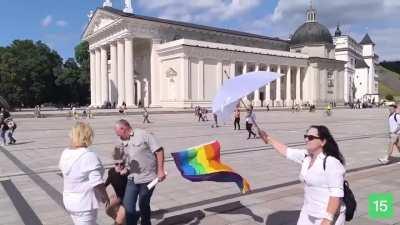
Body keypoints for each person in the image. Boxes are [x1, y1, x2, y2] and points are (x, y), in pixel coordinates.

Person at [258, 125, 346, 225]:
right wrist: (268, 139)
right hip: (308, 212)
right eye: (306, 136)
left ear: (323, 141)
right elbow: (286, 151)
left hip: (327, 215)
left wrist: (327, 220)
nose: (306, 139)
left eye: (311, 137)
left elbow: (336, 195)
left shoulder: (331, 162)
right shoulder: (306, 156)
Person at [114, 119, 166, 225]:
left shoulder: (143, 135)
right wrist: (120, 166)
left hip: (148, 178)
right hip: (132, 178)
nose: (118, 136)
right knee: (128, 206)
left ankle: (146, 223)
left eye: (119, 133)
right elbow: (119, 158)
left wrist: (160, 170)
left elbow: (159, 151)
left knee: (143, 203)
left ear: (124, 129)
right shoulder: (120, 141)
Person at [59, 122, 109, 225]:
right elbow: (97, 182)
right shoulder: (88, 156)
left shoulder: (66, 153)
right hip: (84, 203)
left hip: (69, 200)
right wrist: (105, 196)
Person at [105, 146, 128, 225]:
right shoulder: (111, 171)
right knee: (119, 218)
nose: (119, 166)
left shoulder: (128, 173)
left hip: (125, 200)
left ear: (124, 164)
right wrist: (106, 197)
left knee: (121, 217)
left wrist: (124, 175)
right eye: (116, 164)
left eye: (122, 164)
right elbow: (107, 183)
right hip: (115, 199)